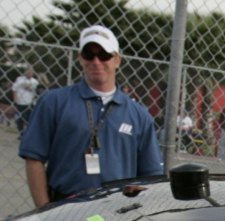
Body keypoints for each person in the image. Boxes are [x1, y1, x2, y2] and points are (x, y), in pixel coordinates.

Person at [18, 25, 163, 208]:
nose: (96, 61)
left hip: (117, 211)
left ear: (117, 60)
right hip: (64, 208)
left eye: (104, 55)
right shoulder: (53, 102)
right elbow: (34, 158)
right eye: (89, 55)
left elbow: (151, 175)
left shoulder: (138, 114)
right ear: (80, 59)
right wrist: (43, 209)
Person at [12, 67, 39, 136]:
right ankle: (21, 133)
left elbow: (35, 91)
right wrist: (15, 98)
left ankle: (28, 132)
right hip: (21, 102)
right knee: (20, 118)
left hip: (30, 102)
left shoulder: (35, 81)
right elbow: (14, 88)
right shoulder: (20, 79)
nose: (30, 74)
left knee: (29, 118)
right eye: (28, 72)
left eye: (31, 72)